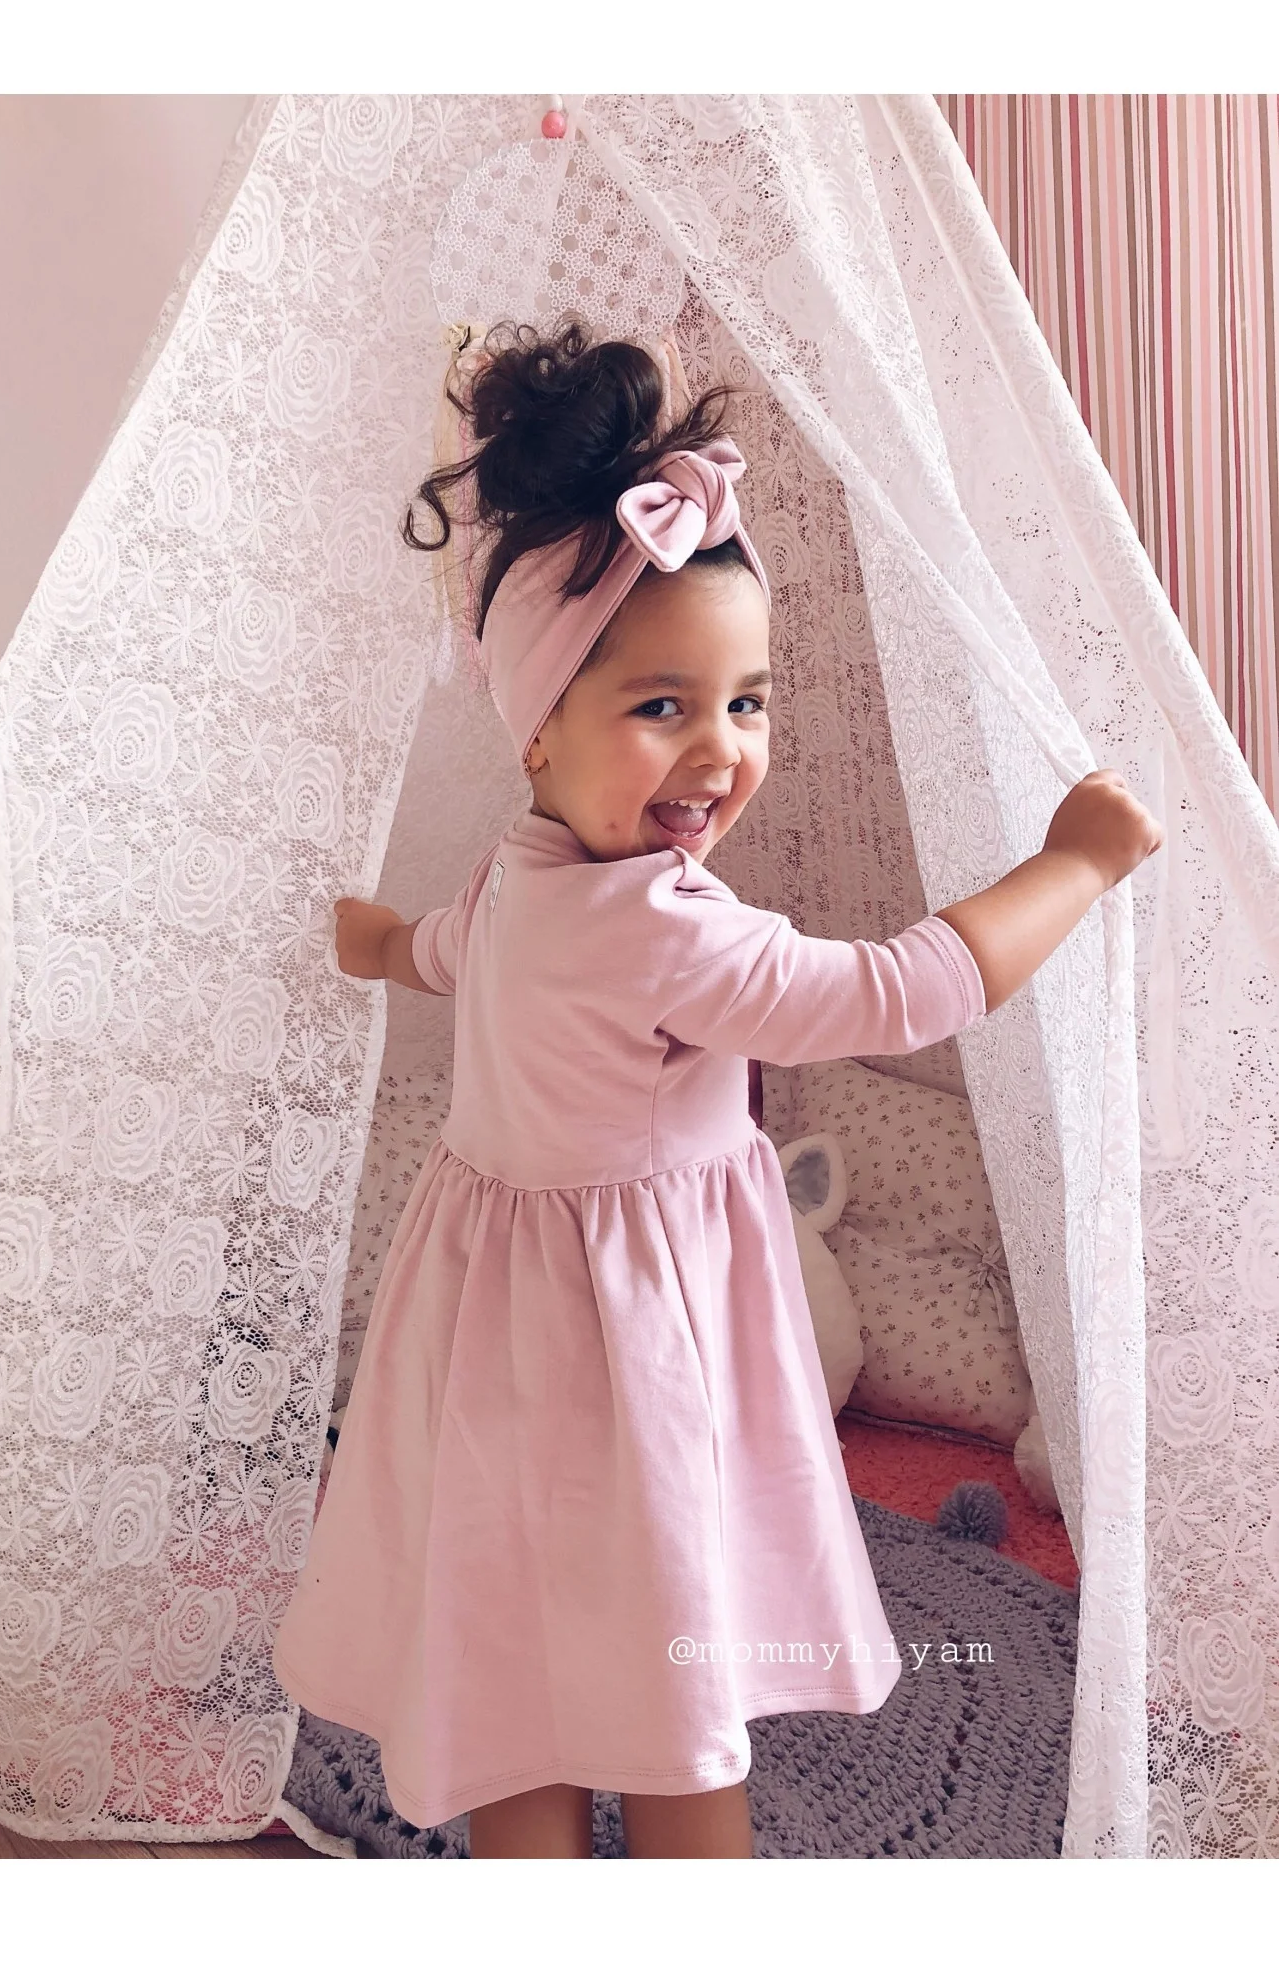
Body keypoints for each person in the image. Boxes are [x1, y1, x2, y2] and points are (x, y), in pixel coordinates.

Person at [270, 315, 1164, 1859]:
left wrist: (374, 946)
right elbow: (897, 989)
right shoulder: (667, 929)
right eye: (659, 706)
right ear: (536, 731)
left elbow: (446, 954)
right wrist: (1071, 866)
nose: (718, 752)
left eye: (745, 701)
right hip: (630, 1353)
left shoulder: (518, 876)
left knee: (516, 1658)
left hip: (494, 1337)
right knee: (673, 1672)